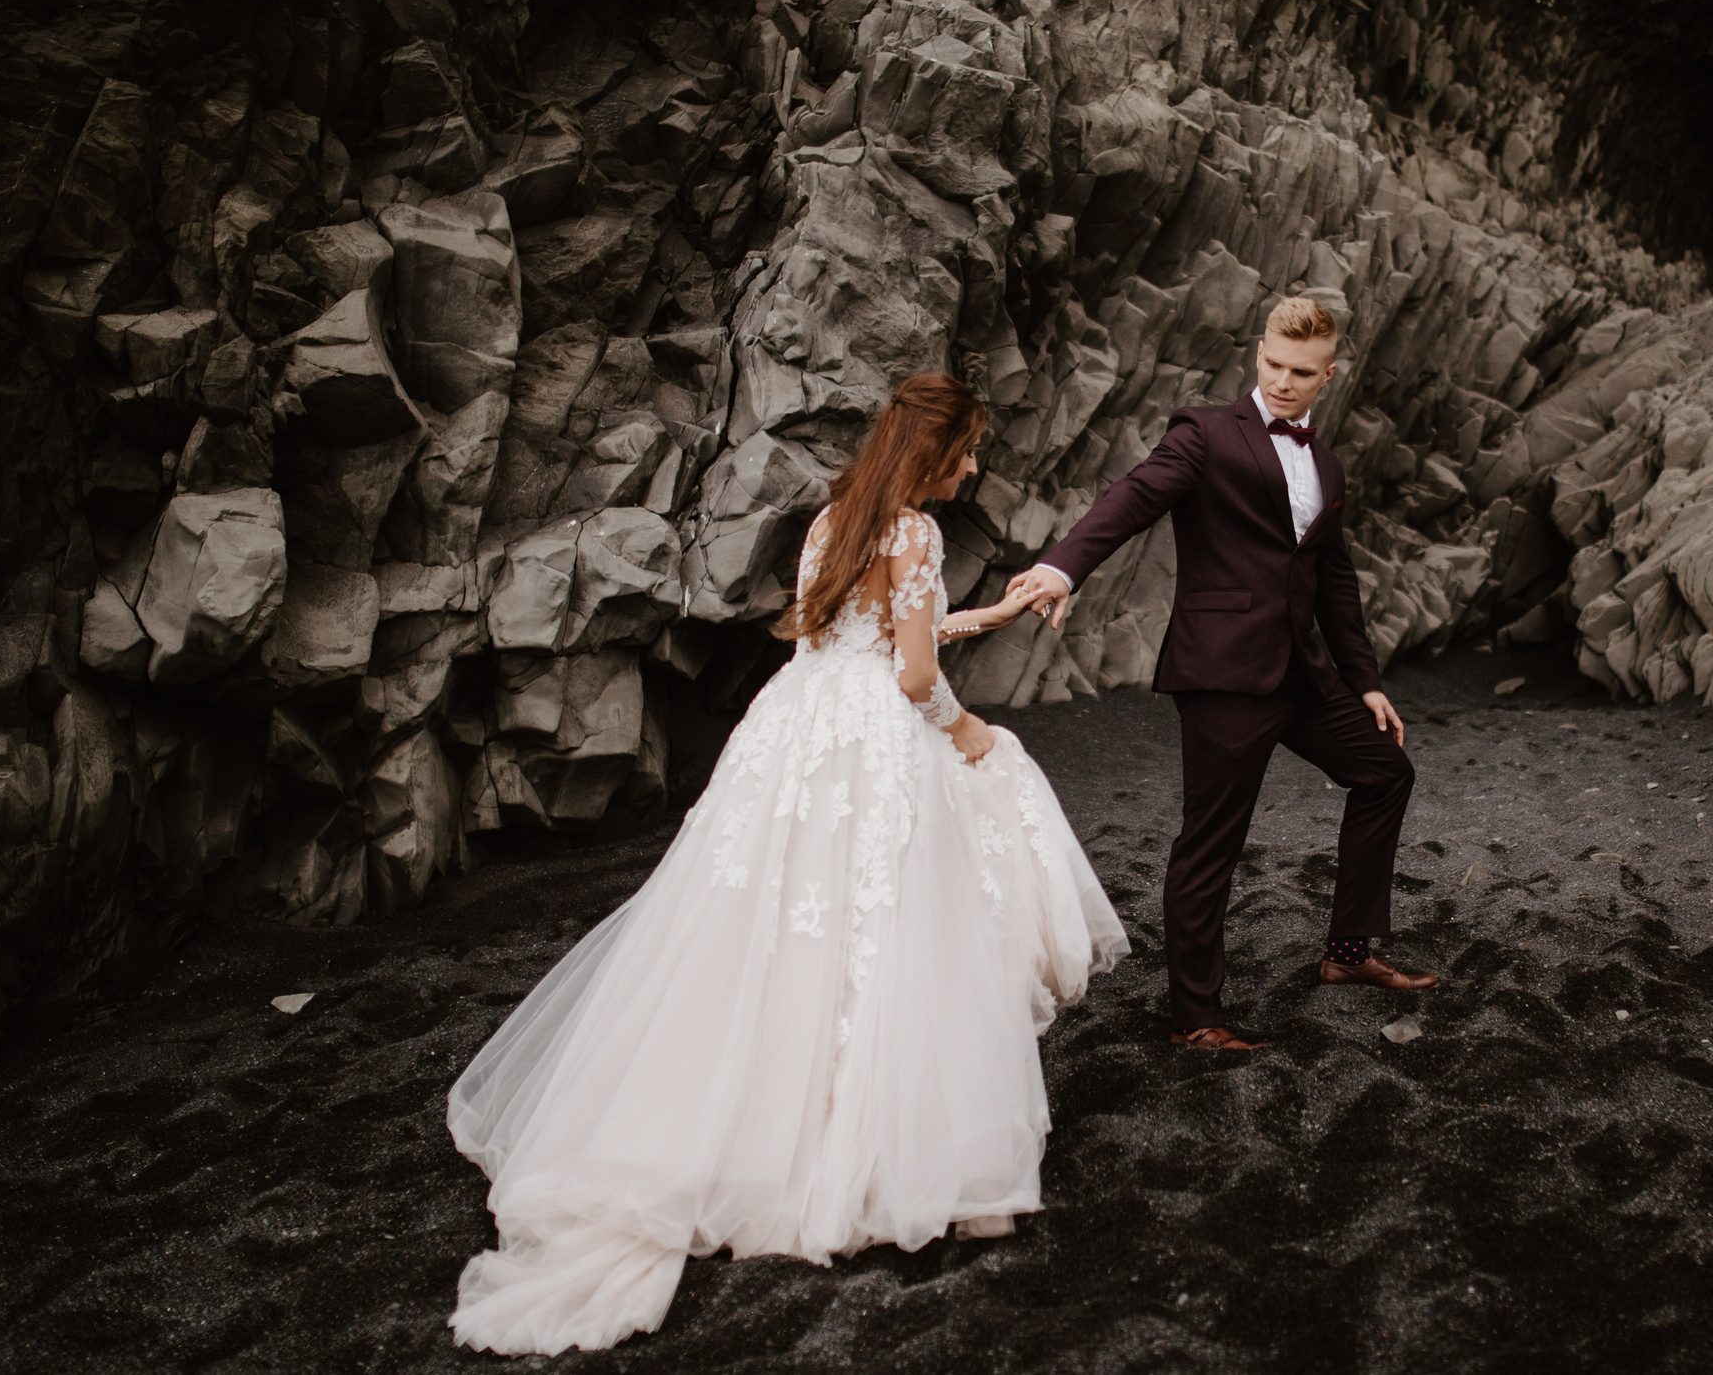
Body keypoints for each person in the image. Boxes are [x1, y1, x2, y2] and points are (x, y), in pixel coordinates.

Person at [447, 373, 1128, 1355]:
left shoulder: (834, 518)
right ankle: (852, 1145)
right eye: (968, 449)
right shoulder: (916, 531)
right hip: (872, 738)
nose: (975, 465)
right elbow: (912, 674)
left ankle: (735, 1117)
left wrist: (977, 619)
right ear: (934, 453)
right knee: (898, 898)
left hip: (795, 728)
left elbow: (860, 634)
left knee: (762, 919)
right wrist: (967, 728)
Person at [1008, 296, 1435, 1053]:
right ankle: (1195, 1017)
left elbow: (1334, 578)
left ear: (1329, 375)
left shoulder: (1326, 463)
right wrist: (1062, 568)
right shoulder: (1204, 432)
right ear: (1258, 353)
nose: (1282, 381)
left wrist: (1365, 680)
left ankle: (1346, 953)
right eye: (1273, 363)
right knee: (1212, 843)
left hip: (1303, 674)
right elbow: (1133, 496)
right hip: (1223, 671)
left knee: (1385, 772)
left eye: (1301, 372)